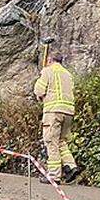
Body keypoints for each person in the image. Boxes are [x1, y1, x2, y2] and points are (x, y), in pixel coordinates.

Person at [32, 51, 81, 182]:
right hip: (69, 111)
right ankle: (70, 167)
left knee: (51, 142)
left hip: (53, 111)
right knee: (61, 141)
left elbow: (39, 90)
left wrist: (40, 84)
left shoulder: (47, 71)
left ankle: (54, 176)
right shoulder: (68, 74)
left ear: (49, 60)